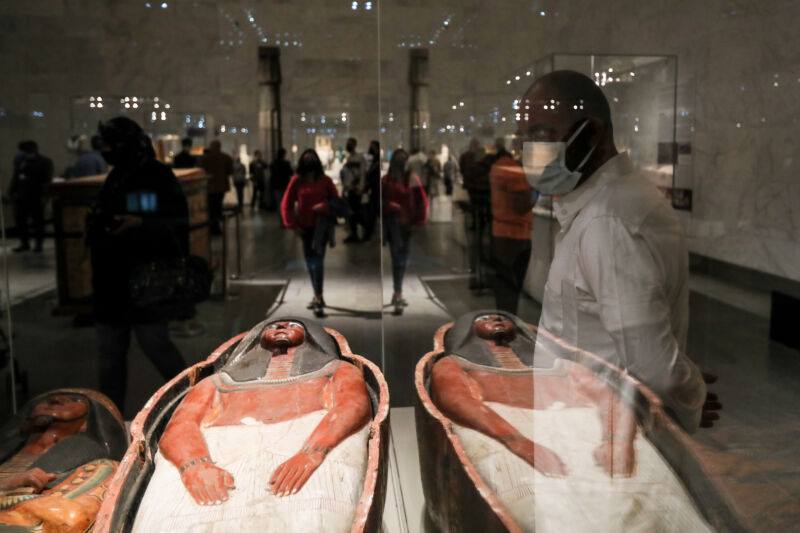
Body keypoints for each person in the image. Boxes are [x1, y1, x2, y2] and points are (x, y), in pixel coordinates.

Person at [522, 70, 718, 432]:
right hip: (584, 429)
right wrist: (685, 385)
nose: (529, 150)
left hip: (595, 441)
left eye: (541, 134)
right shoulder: (609, 206)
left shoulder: (607, 222)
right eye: (526, 136)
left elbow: (656, 370)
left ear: (592, 133)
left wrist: (688, 390)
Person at [130, 319, 372, 531]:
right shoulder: (217, 382)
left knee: (316, 517)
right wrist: (195, 465)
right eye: (274, 326)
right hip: (221, 450)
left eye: (292, 325)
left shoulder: (337, 370)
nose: (282, 328)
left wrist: (313, 451)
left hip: (308, 443)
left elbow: (353, 407)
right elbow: (180, 427)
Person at [87, 116, 188, 412]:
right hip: (111, 281)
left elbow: (177, 221)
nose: (107, 151)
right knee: (110, 357)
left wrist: (141, 224)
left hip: (147, 281)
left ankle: (191, 403)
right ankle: (112, 418)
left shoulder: (157, 175)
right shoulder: (116, 177)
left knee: (157, 346)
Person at [281, 149, 339, 314]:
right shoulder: (297, 181)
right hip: (305, 228)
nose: (309, 160)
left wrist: (325, 207)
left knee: (318, 261)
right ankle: (317, 294)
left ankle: (318, 296)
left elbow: (337, 202)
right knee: (310, 263)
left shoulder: (326, 181)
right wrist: (291, 225)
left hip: (321, 227)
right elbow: (286, 204)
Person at [382, 149, 428, 313]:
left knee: (401, 260)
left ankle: (397, 292)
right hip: (393, 225)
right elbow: (379, 202)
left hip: (406, 225)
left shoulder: (412, 179)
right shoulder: (386, 181)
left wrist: (419, 221)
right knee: (398, 260)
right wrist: (390, 206)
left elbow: (421, 201)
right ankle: (398, 293)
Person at [489, 148, 534, 315]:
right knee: (510, 288)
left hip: (503, 232)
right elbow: (521, 206)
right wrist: (535, 193)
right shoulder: (510, 169)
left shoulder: (497, 168)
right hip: (515, 234)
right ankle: (508, 327)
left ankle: (504, 324)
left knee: (504, 287)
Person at [8, 140, 52, 253]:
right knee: (20, 221)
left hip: (36, 197)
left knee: (38, 222)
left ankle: (38, 245)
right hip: (21, 196)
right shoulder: (21, 162)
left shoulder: (44, 162)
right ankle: (24, 243)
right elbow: (16, 177)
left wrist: (45, 196)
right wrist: (11, 192)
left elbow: (47, 181)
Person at [200, 139, 233, 235]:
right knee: (218, 208)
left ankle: (212, 227)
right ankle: (216, 228)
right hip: (221, 187)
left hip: (209, 187)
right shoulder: (226, 157)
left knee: (211, 208)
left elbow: (201, 171)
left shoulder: (205, 158)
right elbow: (230, 171)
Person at [340, 137, 365, 243]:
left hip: (356, 189)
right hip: (350, 188)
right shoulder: (349, 158)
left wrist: (361, 187)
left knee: (356, 212)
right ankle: (353, 234)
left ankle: (365, 227)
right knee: (351, 212)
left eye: (350, 143)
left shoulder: (359, 157)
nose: (348, 145)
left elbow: (362, 173)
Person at [361, 140, 381, 241]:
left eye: (371, 146)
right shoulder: (375, 160)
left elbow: (373, 175)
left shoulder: (377, 160)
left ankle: (368, 234)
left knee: (372, 213)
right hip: (374, 189)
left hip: (376, 189)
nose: (370, 148)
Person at [270, 147, 293, 223]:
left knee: (279, 202)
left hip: (277, 185)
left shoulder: (274, 163)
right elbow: (290, 172)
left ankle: (281, 219)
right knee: (284, 202)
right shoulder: (286, 163)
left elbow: (272, 174)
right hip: (284, 185)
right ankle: (284, 218)